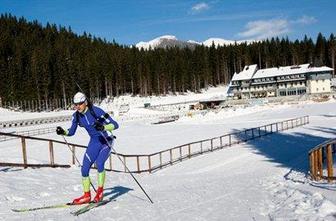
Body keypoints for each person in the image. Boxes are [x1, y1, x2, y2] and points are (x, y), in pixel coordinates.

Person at [56, 92, 119, 204]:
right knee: (84, 169)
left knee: (99, 163)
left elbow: (115, 125)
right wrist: (63, 132)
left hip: (106, 140)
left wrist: (103, 127)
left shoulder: (96, 111)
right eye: (75, 104)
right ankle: (86, 195)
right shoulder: (76, 116)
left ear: (85, 102)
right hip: (94, 141)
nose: (77, 107)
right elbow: (71, 132)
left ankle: (100, 192)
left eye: (80, 104)